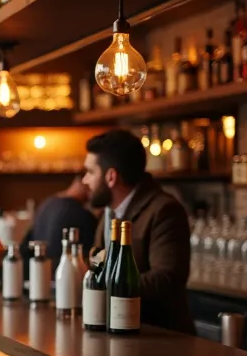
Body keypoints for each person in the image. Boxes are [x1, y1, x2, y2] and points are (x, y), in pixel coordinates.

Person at [82, 129, 194, 334]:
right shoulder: (107, 212)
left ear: (111, 177)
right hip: (114, 329)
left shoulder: (164, 210)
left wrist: (106, 285)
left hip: (159, 338)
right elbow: (99, 262)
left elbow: (167, 278)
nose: (84, 181)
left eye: (90, 172)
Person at [23, 174, 98, 258]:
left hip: (40, 266)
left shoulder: (46, 203)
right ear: (79, 183)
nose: (91, 192)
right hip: (65, 267)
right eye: (88, 187)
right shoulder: (80, 213)